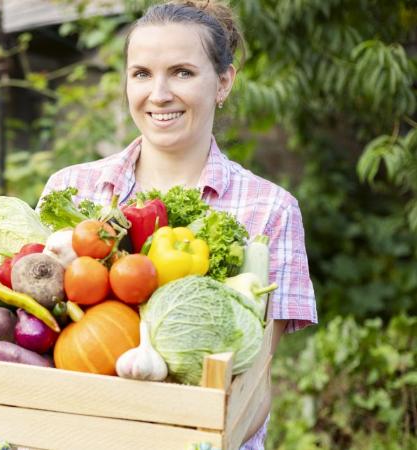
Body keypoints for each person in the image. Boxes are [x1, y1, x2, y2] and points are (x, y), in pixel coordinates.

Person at [38, 1, 318, 448]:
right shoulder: (74, 190)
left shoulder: (269, 210)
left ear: (223, 82)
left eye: (183, 72)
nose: (159, 93)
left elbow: (255, 380)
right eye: (142, 73)